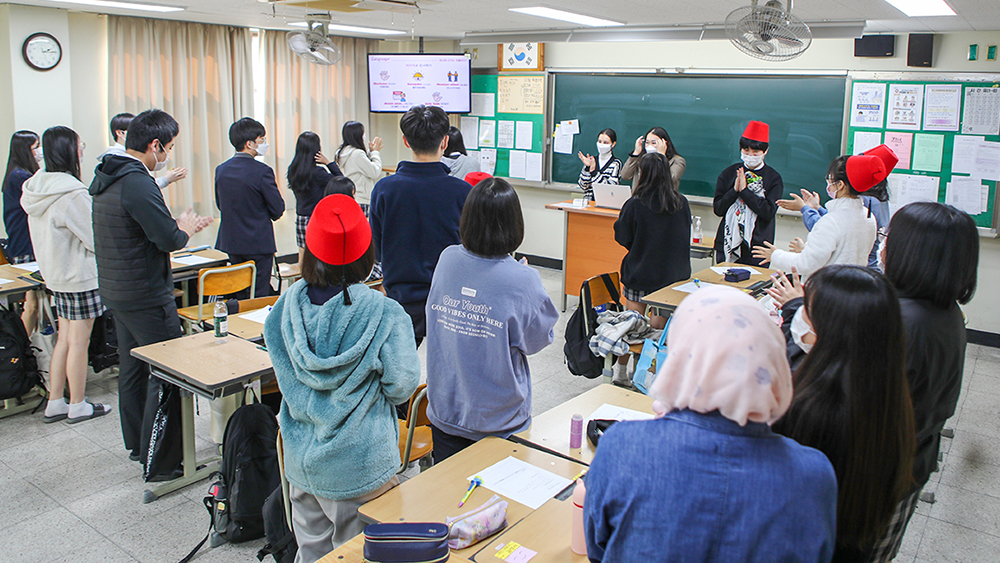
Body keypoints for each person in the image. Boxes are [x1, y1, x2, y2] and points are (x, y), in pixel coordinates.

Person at [584, 285, 837, 562]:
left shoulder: (621, 447)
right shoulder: (814, 474)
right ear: (772, 360)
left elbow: (598, 547)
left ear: (679, 355)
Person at [264, 195, 419, 562]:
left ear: (309, 250)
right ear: (367, 254)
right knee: (360, 555)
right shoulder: (384, 313)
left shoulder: (284, 309)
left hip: (302, 459)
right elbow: (402, 385)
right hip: (361, 463)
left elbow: (283, 375)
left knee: (312, 551)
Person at [770, 265, 916, 563]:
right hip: (852, 541)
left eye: (806, 312)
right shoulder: (886, 390)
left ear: (831, 330)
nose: (801, 319)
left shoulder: (814, 408)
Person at [91, 108, 212, 463]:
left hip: (118, 289)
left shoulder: (107, 176)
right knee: (167, 369)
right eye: (169, 147)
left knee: (132, 370)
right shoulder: (138, 181)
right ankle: (165, 459)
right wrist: (186, 228)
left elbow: (136, 229)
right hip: (145, 293)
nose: (168, 156)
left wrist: (175, 226)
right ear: (154, 145)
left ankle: (140, 446)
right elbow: (169, 240)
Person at [424, 177, 558, 462]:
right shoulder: (523, 280)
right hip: (499, 423)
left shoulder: (447, 259)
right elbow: (538, 340)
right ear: (515, 223)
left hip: (447, 410)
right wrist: (524, 283)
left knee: (446, 498)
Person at [873, 201, 979, 560]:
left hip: (879, 474)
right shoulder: (943, 311)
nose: (883, 245)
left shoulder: (901, 322)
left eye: (889, 238)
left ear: (913, 253)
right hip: (910, 462)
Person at [22, 126, 110, 423]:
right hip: (79, 276)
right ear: (69, 151)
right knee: (78, 342)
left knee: (64, 339)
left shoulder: (37, 186)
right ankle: (78, 403)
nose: (82, 150)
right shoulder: (71, 193)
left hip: (55, 275)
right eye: (79, 145)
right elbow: (95, 238)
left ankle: (56, 401)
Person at [370, 105, 471, 347]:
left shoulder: (385, 189)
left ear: (405, 141)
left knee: (398, 371)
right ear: (445, 142)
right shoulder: (463, 192)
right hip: (452, 300)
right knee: (451, 372)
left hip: (399, 296)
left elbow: (377, 250)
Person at [611, 152, 690, 386]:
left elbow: (622, 236)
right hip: (671, 280)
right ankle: (645, 374)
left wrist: (639, 247)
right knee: (657, 331)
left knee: (631, 325)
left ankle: (621, 371)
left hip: (641, 275)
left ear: (642, 175)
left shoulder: (635, 204)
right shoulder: (681, 202)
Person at [754, 154, 884, 280]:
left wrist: (775, 255)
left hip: (826, 292)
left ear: (840, 185)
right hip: (852, 289)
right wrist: (806, 249)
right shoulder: (868, 217)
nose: (828, 183)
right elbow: (841, 253)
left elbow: (805, 264)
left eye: (830, 179)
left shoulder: (832, 221)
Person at [778, 144, 896, 270]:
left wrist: (805, 208)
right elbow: (839, 222)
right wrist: (817, 208)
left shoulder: (868, 201)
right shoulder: (873, 201)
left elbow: (832, 227)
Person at [215, 117, 285, 298]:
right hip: (258, 243)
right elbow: (277, 209)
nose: (264, 143)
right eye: (262, 140)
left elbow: (220, 204)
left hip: (231, 242)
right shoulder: (262, 171)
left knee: (237, 292)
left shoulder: (221, 170)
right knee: (259, 293)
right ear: (249, 143)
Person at [713, 120, 783, 266]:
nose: (750, 155)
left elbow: (768, 212)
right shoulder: (729, 173)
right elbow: (718, 209)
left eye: (755, 151)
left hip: (757, 248)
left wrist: (745, 192)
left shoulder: (773, 178)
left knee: (752, 288)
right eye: (746, 150)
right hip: (727, 242)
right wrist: (735, 191)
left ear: (765, 151)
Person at [3, 130, 41, 333]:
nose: (39, 153)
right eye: (36, 148)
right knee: (32, 304)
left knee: (33, 304)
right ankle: (25, 349)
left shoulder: (16, 174)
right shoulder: (21, 177)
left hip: (21, 242)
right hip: (26, 244)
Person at [287, 131, 343, 265]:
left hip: (301, 217)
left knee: (303, 256)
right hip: (317, 218)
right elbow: (341, 181)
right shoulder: (318, 172)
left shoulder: (293, 170)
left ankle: (301, 284)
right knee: (320, 256)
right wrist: (329, 163)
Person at [96, 112, 188, 190]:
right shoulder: (118, 160)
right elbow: (139, 187)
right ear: (120, 133)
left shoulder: (123, 160)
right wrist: (166, 179)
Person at [334, 121, 383, 211]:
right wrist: (375, 152)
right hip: (361, 199)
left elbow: (361, 166)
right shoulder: (357, 154)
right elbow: (375, 172)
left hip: (350, 197)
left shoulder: (341, 152)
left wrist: (370, 152)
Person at [620, 126, 685, 191]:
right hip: (640, 199)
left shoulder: (677, 161)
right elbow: (625, 175)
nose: (649, 146)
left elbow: (668, 179)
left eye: (654, 143)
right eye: (647, 142)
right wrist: (635, 153)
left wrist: (661, 156)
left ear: (664, 143)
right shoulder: (641, 159)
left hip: (663, 200)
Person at [576, 128, 622, 201]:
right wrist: (588, 168)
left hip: (605, 203)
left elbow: (610, 189)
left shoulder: (616, 163)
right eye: (600, 141)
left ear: (613, 144)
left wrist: (594, 172)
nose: (601, 145)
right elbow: (583, 185)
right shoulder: (592, 160)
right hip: (588, 203)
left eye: (606, 142)